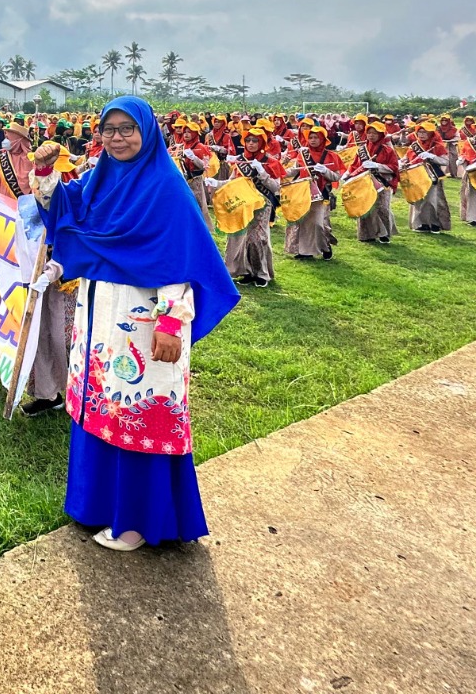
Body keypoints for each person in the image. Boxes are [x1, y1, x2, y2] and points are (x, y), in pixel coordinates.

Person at [29, 96, 240, 554]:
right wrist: (46, 173)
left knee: (139, 412)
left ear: (147, 131)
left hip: (143, 321)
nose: (117, 138)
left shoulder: (165, 186)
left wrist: (170, 322)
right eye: (109, 129)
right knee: (103, 411)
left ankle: (138, 522)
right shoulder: (102, 177)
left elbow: (181, 259)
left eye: (128, 129)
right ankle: (98, 505)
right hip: (100, 317)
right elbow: (65, 211)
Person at [217, 126, 283, 287]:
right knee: (239, 238)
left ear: (262, 142)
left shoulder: (270, 161)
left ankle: (261, 273)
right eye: (248, 140)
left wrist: (262, 173)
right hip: (243, 203)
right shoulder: (240, 160)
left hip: (262, 203)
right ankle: (244, 271)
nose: (251, 143)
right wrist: (216, 183)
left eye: (255, 140)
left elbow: (276, 187)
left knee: (258, 238)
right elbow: (232, 182)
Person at [283, 123, 341, 260]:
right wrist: (280, 172)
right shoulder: (303, 154)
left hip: (321, 193)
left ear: (323, 139)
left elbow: (337, 176)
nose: (313, 140)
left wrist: (325, 171)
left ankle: (325, 246)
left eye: (316, 137)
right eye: (311, 137)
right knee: (302, 221)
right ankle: (304, 251)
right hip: (302, 192)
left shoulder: (331, 156)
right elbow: (294, 170)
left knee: (318, 224)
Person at [404, 121, 452, 233]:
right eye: (419, 132)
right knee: (419, 200)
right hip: (416, 175)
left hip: (432, 175)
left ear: (431, 133)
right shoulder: (414, 145)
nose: (421, 134)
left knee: (432, 200)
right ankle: (421, 223)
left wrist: (432, 156)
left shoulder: (438, 146)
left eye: (424, 132)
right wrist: (402, 163)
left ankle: (435, 223)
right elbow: (406, 158)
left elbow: (445, 161)